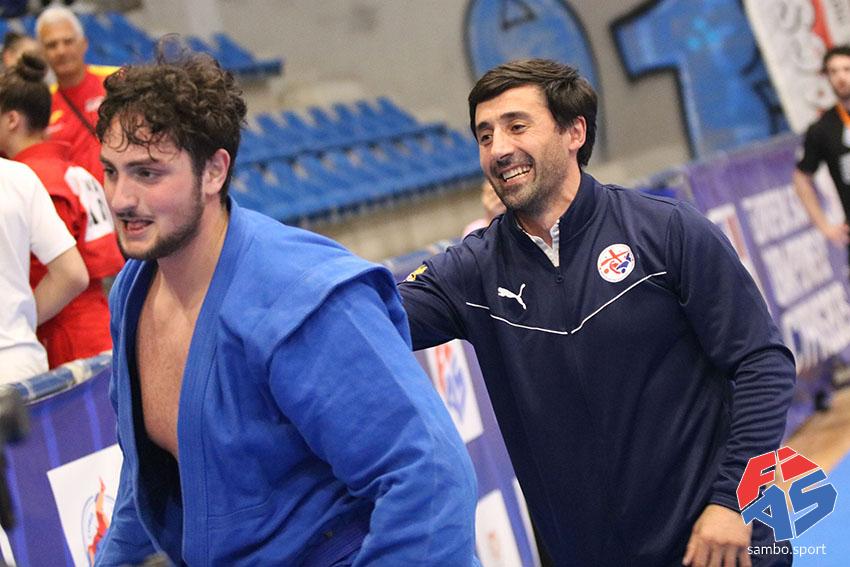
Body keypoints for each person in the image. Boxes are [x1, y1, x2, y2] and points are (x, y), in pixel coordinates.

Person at [398, 59, 797, 566]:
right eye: (484, 135)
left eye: (517, 126)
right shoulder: (471, 271)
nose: (498, 149)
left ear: (574, 132)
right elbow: (367, 318)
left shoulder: (667, 231)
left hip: (718, 543)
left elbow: (762, 363)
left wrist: (735, 499)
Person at [93, 47, 479, 566]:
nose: (120, 198)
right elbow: (147, 481)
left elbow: (429, 476)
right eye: (111, 171)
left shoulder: (300, 299)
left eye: (147, 173)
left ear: (214, 172)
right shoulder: (133, 291)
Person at [0, 53, 124, 368]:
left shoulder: (31, 179)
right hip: (99, 323)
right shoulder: (72, 171)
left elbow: (69, 275)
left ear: (12, 120)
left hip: (64, 337)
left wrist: (20, 321)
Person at [0, 156, 88, 383]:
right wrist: (18, 322)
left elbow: (73, 274)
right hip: (18, 362)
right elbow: (72, 274)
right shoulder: (17, 177)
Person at [37, 5, 114, 183]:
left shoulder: (116, 81)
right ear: (42, 54)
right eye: (52, 45)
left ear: (84, 44)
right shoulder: (41, 106)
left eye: (68, 41)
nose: (61, 51)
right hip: (79, 198)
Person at [795, 44, 850, 251]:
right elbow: (801, 179)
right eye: (833, 72)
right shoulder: (822, 128)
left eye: (846, 69)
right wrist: (825, 227)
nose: (840, 77)